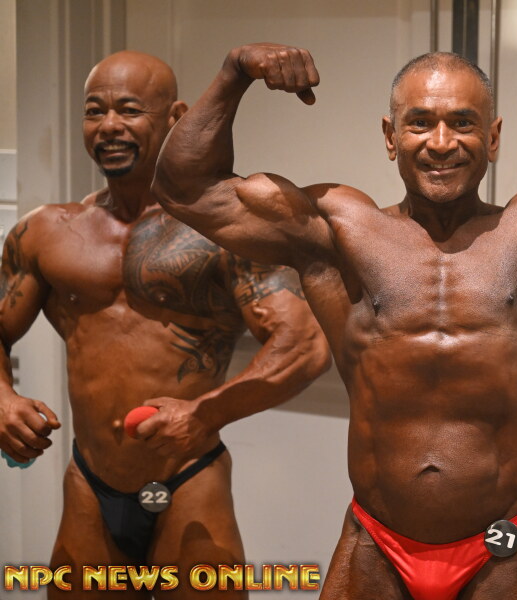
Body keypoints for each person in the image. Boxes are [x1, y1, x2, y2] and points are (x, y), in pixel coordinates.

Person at [153, 36, 517, 600]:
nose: (441, 142)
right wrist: (233, 74)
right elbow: (187, 190)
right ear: (390, 136)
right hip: (375, 544)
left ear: (493, 137)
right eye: (420, 122)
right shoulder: (337, 231)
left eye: (463, 122)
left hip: (502, 546)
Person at [0, 50, 330, 596]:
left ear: (176, 117)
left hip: (189, 476)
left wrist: (204, 414)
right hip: (90, 481)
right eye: (95, 111)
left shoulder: (224, 233)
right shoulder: (45, 232)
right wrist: (3, 399)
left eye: (129, 110)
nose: (109, 126)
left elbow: (305, 345)